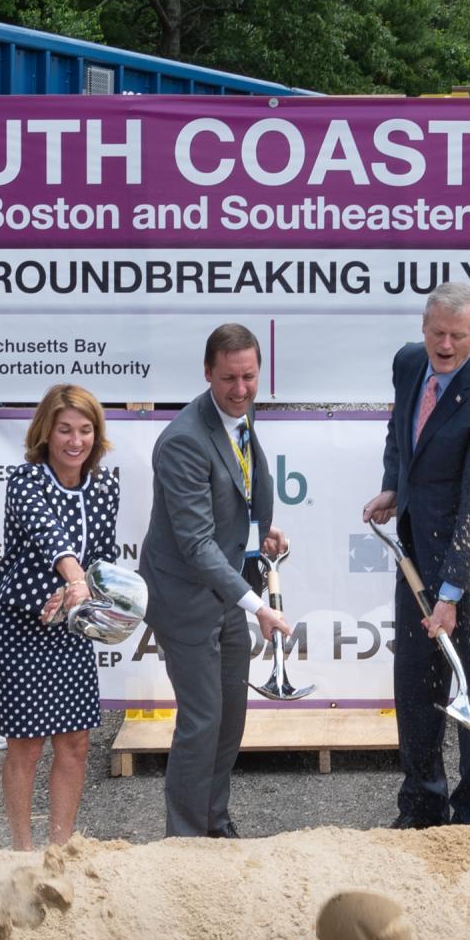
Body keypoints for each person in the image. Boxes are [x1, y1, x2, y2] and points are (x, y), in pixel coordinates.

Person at [361, 283, 470, 829]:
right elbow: (400, 434)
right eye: (438, 333)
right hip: (417, 560)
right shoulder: (410, 364)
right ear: (423, 328)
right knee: (416, 692)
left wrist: (451, 596)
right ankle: (423, 810)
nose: (447, 345)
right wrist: (393, 487)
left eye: (458, 335)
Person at [142, 324, 290, 839]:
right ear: (208, 373)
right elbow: (196, 544)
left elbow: (234, 498)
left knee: (229, 721)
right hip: (185, 597)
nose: (241, 388)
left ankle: (214, 823)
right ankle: (183, 841)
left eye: (249, 376)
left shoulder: (240, 418)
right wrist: (258, 606)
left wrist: (259, 533)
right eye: (229, 378)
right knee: (203, 720)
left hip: (225, 588)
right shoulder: (183, 440)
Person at [0, 386, 120, 850]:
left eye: (85, 430)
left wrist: (79, 592)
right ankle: (21, 853)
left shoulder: (105, 487)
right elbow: (50, 537)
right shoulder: (26, 481)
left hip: (71, 626)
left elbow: (101, 558)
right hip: (20, 627)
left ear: (96, 435)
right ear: (47, 431)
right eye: (65, 429)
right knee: (26, 746)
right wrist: (72, 578)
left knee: (75, 744)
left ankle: (59, 850)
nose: (75, 440)